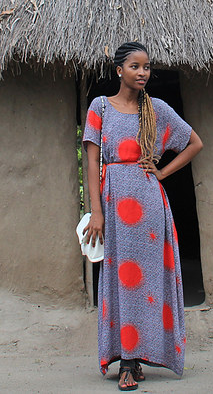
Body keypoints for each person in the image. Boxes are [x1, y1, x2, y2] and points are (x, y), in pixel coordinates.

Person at [82, 41, 204, 391]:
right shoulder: (100, 107)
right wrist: (96, 211)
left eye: (147, 67)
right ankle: (127, 359)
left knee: (146, 283)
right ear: (119, 70)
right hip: (114, 206)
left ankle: (136, 359)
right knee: (121, 281)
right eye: (135, 66)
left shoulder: (157, 110)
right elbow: (92, 161)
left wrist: (162, 173)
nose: (143, 72)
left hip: (149, 207)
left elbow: (195, 143)